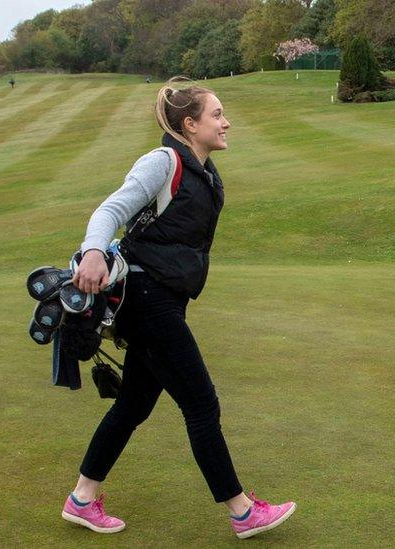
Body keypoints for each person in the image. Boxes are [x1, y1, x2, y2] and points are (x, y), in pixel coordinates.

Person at [61, 78, 296, 539]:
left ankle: (82, 498)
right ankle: (243, 511)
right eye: (216, 115)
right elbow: (110, 210)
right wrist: (93, 252)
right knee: (201, 403)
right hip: (147, 300)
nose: (226, 122)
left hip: (162, 299)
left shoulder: (203, 169)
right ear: (189, 125)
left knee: (133, 405)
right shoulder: (163, 161)